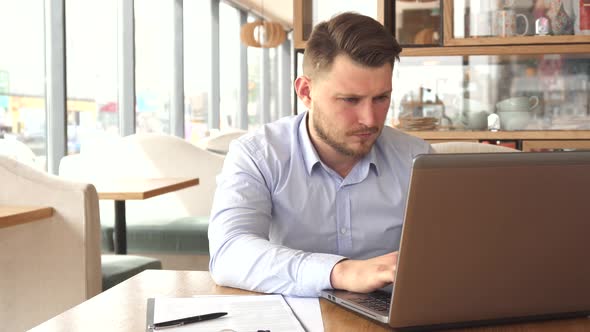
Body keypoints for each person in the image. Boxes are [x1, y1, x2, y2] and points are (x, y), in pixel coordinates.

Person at [208, 12, 432, 297]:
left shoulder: (418, 158)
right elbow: (229, 253)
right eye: (350, 100)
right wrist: (340, 271)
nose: (370, 119)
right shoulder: (258, 155)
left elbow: (452, 251)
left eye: (381, 98)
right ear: (305, 91)